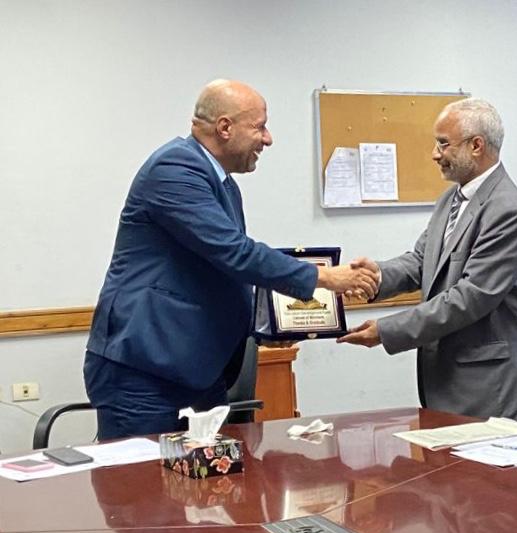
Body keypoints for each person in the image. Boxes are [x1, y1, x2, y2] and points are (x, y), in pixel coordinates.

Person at [85, 79, 378, 440]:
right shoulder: (175, 169)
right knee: (142, 475)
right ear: (225, 127)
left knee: (214, 475)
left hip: (196, 370)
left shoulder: (222, 183)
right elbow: (234, 252)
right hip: (146, 370)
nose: (268, 139)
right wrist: (327, 278)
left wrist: (267, 328)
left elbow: (222, 273)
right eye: (260, 127)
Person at [338, 98, 517, 426]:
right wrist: (373, 277)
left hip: (496, 390)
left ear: (476, 146)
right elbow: (421, 261)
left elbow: (470, 298)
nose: (435, 154)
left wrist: (386, 331)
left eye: (443, 144)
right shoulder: (451, 198)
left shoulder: (508, 210)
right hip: (453, 385)